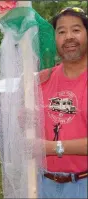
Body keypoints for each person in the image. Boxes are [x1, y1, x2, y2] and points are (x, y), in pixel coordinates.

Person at [39, 7, 87, 198]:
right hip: (44, 183)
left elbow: (43, 146)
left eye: (76, 30)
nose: (69, 37)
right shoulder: (43, 80)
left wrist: (52, 148)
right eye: (61, 31)